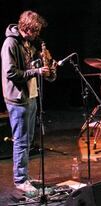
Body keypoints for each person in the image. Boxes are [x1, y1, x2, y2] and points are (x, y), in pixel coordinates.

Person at [1, 10, 57, 192]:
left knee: (28, 140)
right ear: (27, 28)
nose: (37, 35)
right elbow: (11, 73)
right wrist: (36, 72)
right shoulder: (10, 43)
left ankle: (24, 174)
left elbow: (28, 67)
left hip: (31, 96)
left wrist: (42, 66)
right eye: (36, 31)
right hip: (18, 99)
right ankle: (20, 179)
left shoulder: (27, 43)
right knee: (21, 140)